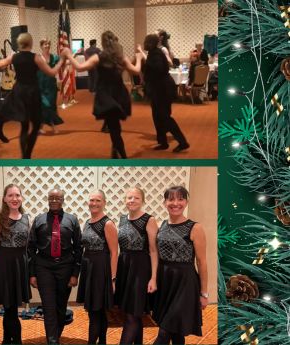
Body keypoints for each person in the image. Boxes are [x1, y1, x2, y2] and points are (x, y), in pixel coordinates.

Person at [0, 33, 64, 158]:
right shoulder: (36, 57)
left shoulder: (14, 57)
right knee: (36, 125)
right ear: (31, 43)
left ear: (19, 44)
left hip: (19, 92)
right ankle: (27, 155)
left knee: (24, 126)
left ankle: (24, 157)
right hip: (32, 92)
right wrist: (62, 61)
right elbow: (52, 72)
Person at [63, 31, 141, 159]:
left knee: (114, 128)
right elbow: (136, 71)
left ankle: (122, 157)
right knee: (115, 126)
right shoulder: (121, 57)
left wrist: (69, 55)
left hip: (106, 95)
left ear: (103, 43)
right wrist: (138, 58)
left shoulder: (98, 57)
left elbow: (80, 68)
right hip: (119, 94)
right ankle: (116, 152)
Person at [152, 186, 208, 345]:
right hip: (166, 281)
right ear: (164, 202)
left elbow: (202, 262)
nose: (175, 203)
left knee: (164, 332)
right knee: (176, 332)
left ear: (186, 202)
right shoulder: (161, 224)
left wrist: (204, 294)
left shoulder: (195, 228)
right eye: (171, 199)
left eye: (180, 199)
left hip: (185, 284)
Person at [28, 189, 83, 344]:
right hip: (44, 267)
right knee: (48, 306)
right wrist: (32, 273)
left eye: (57, 198)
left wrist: (75, 274)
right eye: (51, 197)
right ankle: (53, 341)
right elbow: (31, 247)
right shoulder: (39, 220)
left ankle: (55, 337)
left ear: (63, 200)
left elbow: (79, 248)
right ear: (47, 199)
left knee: (61, 306)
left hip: (65, 266)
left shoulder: (72, 220)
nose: (54, 200)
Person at [0, 184, 31, 344]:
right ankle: (16, 341)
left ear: (21, 198)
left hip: (20, 266)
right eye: (10, 195)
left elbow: (27, 247)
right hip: (3, 265)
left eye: (17, 195)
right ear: (4, 198)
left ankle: (6, 340)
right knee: (10, 308)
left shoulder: (26, 218)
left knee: (11, 309)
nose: (14, 199)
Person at [114, 187, 159, 344]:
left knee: (132, 315)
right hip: (125, 268)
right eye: (129, 197)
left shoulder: (149, 220)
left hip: (140, 270)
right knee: (132, 313)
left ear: (143, 201)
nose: (132, 200)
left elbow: (154, 251)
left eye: (136, 198)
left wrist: (154, 278)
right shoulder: (122, 219)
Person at [76, 190, 118, 344]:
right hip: (89, 268)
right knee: (97, 312)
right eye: (92, 200)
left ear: (104, 203)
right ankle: (103, 342)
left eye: (98, 200)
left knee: (96, 312)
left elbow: (114, 253)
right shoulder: (87, 222)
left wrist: (113, 279)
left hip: (101, 270)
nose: (94, 203)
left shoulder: (107, 224)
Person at [136, 34, 189, 153]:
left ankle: (182, 142)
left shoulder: (156, 54)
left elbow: (159, 70)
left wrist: (146, 65)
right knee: (157, 116)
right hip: (159, 89)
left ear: (150, 43)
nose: (144, 44)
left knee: (165, 117)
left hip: (162, 90)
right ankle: (163, 142)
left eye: (146, 42)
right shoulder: (153, 53)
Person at [38, 39, 64, 135]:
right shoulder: (37, 58)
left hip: (51, 87)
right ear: (41, 46)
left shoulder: (54, 57)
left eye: (48, 44)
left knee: (51, 106)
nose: (47, 45)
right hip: (40, 86)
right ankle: (53, 126)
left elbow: (63, 61)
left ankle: (39, 127)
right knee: (46, 106)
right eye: (45, 44)